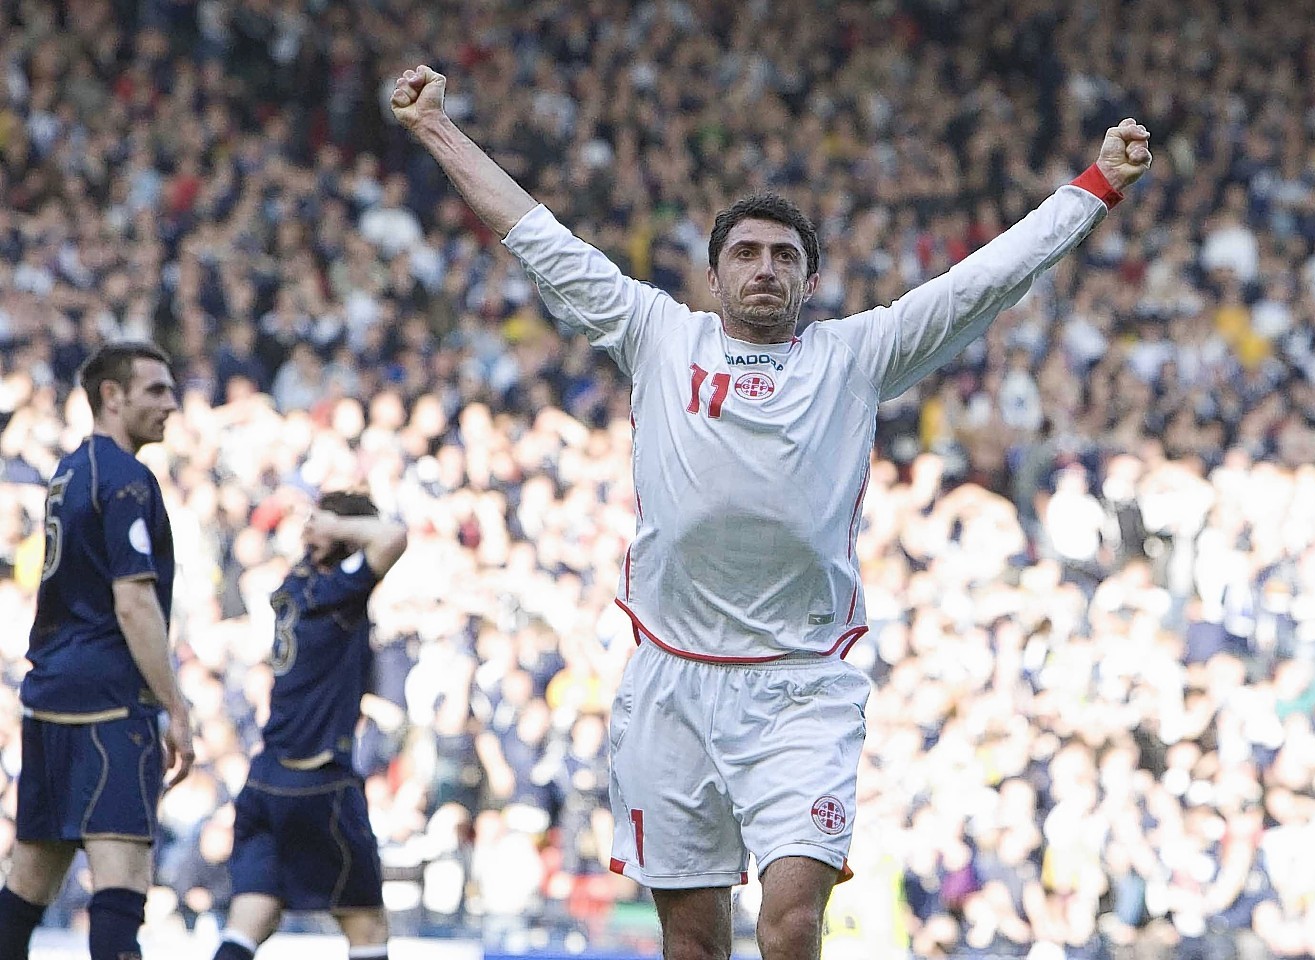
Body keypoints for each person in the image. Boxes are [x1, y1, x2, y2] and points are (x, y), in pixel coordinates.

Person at [390, 62, 1151, 960]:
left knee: (791, 923)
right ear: (713, 278)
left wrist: (1097, 185)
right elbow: (534, 234)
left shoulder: (857, 356)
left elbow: (986, 279)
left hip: (801, 685)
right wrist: (437, 128)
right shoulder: (656, 333)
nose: (764, 269)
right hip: (671, 678)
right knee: (693, 943)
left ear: (809, 281)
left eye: (784, 256)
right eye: (745, 254)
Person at [0, 341, 195, 960]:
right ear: (112, 396)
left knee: (30, 878)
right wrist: (177, 709)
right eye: (156, 390)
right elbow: (133, 603)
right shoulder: (127, 479)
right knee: (121, 880)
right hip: (111, 702)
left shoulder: (65, 473)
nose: (172, 403)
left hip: (50, 694)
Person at [211, 491, 408, 960]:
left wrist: (324, 528)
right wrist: (337, 525)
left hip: (264, 779)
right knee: (367, 926)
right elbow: (394, 538)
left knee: (252, 916)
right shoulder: (337, 592)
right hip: (317, 780)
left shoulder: (295, 584)